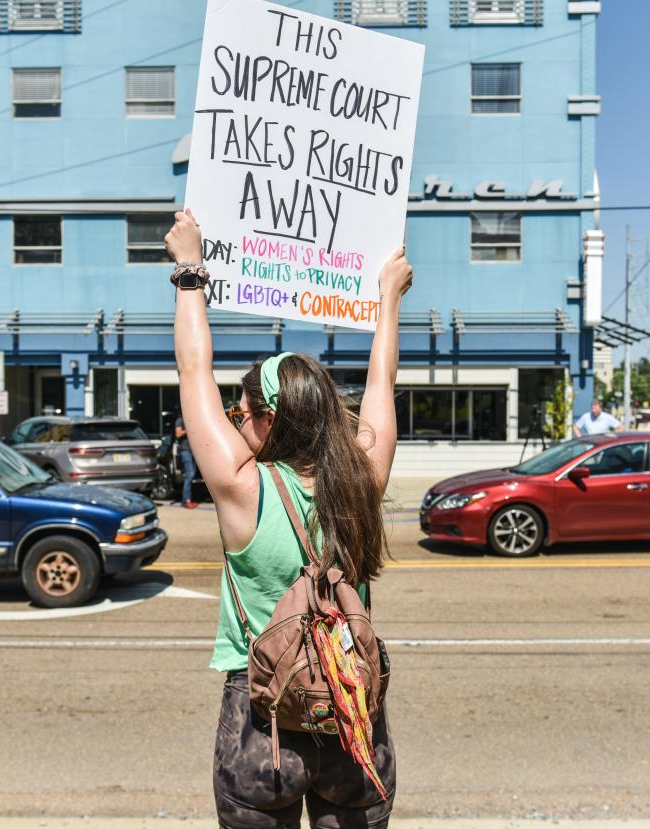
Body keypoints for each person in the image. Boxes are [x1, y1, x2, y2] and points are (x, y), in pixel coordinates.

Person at [165, 208, 409, 829]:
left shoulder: (241, 488)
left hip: (263, 719)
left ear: (271, 418)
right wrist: (388, 298)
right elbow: (382, 380)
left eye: (242, 412)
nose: (234, 420)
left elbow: (193, 371)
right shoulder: (363, 480)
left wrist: (190, 272)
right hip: (350, 711)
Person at [173, 414, 198, 508]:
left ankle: (187, 499)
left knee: (191, 474)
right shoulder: (180, 420)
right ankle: (186, 500)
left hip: (192, 450)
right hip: (185, 450)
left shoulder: (191, 418)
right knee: (190, 474)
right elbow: (178, 434)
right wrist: (189, 429)